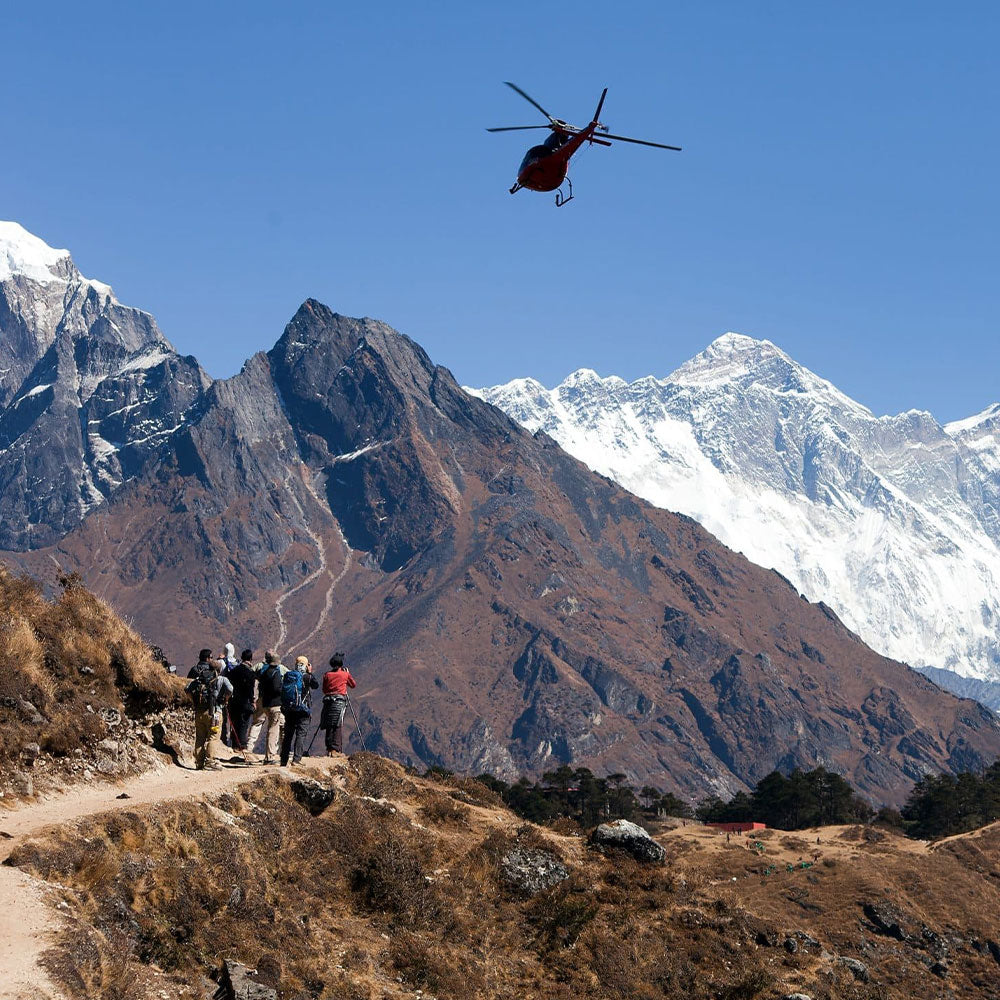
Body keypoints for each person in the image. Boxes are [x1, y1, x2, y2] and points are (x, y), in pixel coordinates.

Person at [185, 648, 233, 770]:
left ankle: (199, 762)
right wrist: (225, 700)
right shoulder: (221, 679)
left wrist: (194, 702)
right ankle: (210, 762)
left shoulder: (199, 679)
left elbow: (187, 689)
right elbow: (230, 690)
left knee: (200, 737)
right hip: (214, 712)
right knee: (213, 736)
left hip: (199, 711)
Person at [280, 655, 318, 766]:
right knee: (300, 734)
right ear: (306, 665)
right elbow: (316, 685)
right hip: (303, 710)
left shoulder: (289, 675)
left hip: (290, 709)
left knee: (288, 735)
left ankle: (283, 760)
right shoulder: (307, 677)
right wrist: (310, 672)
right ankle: (296, 760)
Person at [249, 651, 285, 764]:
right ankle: (270, 756)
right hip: (275, 704)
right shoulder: (277, 672)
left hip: (264, 702)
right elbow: (277, 689)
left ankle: (250, 748)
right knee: (274, 729)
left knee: (260, 724)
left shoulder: (263, 672)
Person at [321, 653, 356, 756]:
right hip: (339, 701)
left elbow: (324, 689)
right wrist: (348, 674)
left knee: (329, 724)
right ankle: (335, 749)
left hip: (328, 701)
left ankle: (329, 748)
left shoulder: (327, 675)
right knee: (337, 724)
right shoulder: (344, 674)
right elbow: (353, 685)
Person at [226, 649, 258, 761]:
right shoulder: (250, 672)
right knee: (244, 724)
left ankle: (234, 745)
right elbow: (250, 689)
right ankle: (242, 746)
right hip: (245, 701)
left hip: (233, 701)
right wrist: (253, 701)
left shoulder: (234, 671)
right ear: (250, 659)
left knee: (235, 722)